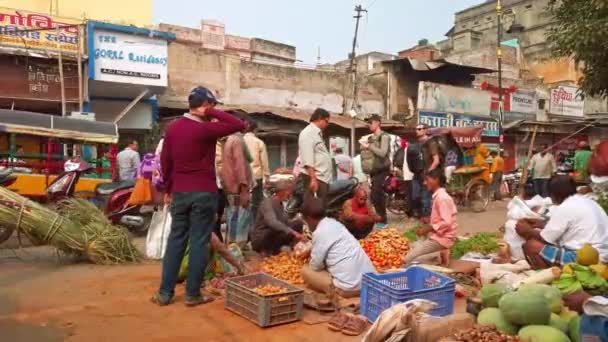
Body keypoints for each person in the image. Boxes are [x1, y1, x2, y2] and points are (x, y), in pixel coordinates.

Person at [152, 86, 245, 307]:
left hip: (181, 193)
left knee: (176, 241)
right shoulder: (205, 130)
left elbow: (166, 162)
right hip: (204, 192)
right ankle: (192, 294)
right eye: (212, 105)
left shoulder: (172, 128)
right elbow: (239, 125)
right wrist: (210, 112)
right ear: (205, 105)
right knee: (199, 242)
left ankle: (165, 293)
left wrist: (169, 189)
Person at [516, 175, 608, 269]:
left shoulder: (566, 207)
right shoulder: (588, 201)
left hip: (585, 258)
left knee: (531, 246)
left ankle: (547, 275)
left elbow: (546, 238)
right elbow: (569, 226)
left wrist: (528, 231)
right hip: (603, 255)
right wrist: (542, 224)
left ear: (555, 194)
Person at [301, 197, 375, 297]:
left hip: (349, 288)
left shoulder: (319, 233)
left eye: (305, 220)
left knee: (306, 271)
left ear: (309, 218)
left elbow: (316, 266)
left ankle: (335, 291)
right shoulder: (335, 224)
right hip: (371, 283)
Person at [404, 168, 457, 266]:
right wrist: (430, 220)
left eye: (427, 179)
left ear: (436, 180)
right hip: (439, 236)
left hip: (443, 238)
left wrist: (429, 228)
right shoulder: (439, 196)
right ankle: (440, 254)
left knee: (409, 257)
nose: (424, 183)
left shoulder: (442, 198)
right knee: (415, 250)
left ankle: (440, 254)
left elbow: (447, 222)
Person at [221, 114, 255, 246]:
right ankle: (236, 247)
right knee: (239, 216)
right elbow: (240, 165)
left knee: (232, 216)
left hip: (231, 186)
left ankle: (232, 245)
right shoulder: (237, 140)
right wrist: (244, 188)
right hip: (238, 187)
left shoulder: (229, 140)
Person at [250, 180, 304, 255]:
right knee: (274, 228)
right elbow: (272, 222)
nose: (290, 195)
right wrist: (292, 232)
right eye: (289, 192)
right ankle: (267, 250)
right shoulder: (267, 203)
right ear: (282, 192)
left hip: (274, 236)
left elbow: (285, 222)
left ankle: (294, 247)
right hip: (262, 238)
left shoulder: (281, 204)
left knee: (298, 223)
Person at [298, 108, 333, 204]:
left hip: (321, 178)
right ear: (319, 118)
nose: (327, 124)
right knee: (314, 209)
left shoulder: (317, 134)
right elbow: (307, 158)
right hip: (314, 177)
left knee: (321, 208)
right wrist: (313, 179)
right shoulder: (308, 133)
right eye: (326, 121)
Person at [361, 114, 391, 223]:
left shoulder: (384, 137)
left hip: (383, 169)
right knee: (375, 195)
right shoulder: (371, 137)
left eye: (371, 122)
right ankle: (380, 217)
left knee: (376, 194)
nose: (369, 125)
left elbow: (382, 153)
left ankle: (383, 219)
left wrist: (369, 146)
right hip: (374, 170)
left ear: (378, 123)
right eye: (368, 123)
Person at [243, 119, 270, 220]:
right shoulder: (259, 142)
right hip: (256, 177)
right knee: (256, 204)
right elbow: (264, 162)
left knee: (242, 205)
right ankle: (253, 227)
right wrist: (266, 177)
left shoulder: (239, 141)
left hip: (242, 177)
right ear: (255, 130)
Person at [414, 123, 440, 221]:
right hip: (417, 174)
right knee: (415, 196)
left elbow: (436, 160)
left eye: (420, 129)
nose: (417, 130)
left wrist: (428, 174)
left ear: (425, 130)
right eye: (416, 129)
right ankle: (423, 216)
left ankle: (427, 218)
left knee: (425, 198)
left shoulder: (431, 142)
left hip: (427, 174)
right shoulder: (416, 143)